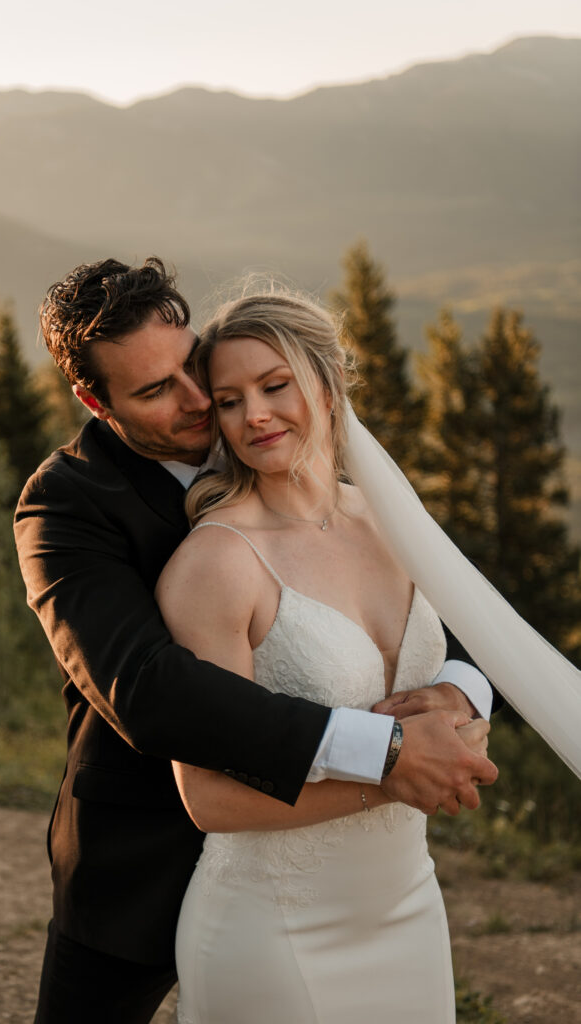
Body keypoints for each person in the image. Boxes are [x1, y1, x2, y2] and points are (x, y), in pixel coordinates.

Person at [14, 258, 498, 1024]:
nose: (202, 400)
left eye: (192, 364)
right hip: (143, 856)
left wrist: (457, 690)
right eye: (154, 390)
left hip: (364, 878)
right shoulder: (64, 507)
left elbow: (462, 603)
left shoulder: (286, 445)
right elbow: (149, 688)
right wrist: (390, 752)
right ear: (94, 401)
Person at [156, 288, 492, 1022]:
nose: (256, 417)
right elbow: (207, 799)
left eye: (275, 387)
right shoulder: (218, 565)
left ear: (330, 384)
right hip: (275, 929)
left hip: (409, 905)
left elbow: (465, 651)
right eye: (230, 400)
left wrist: (462, 708)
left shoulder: (387, 516)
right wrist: (396, 778)